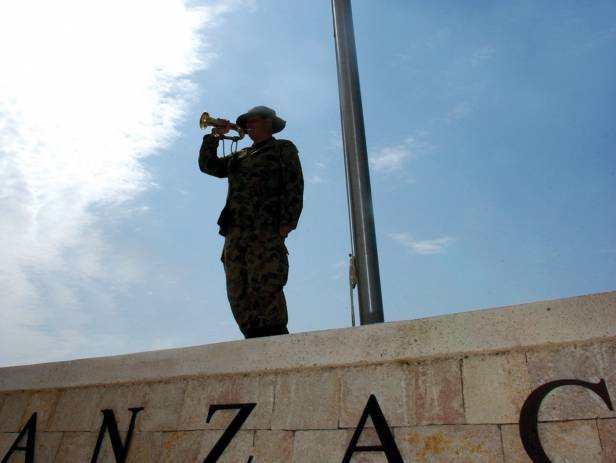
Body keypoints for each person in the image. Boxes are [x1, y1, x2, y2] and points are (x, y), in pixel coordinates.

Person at [198, 106, 304, 338]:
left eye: (251, 121)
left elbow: (294, 184)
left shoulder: (282, 149)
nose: (246, 126)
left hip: (265, 229)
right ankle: (251, 335)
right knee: (237, 287)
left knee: (265, 284)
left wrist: (288, 221)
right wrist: (214, 136)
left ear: (268, 122)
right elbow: (209, 166)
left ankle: (275, 335)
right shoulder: (240, 156)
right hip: (235, 231)